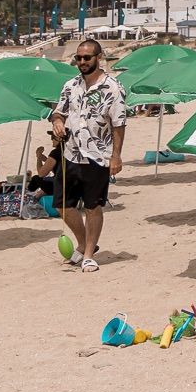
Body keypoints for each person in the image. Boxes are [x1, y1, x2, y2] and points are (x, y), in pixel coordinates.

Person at [51, 38, 127, 274]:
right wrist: (57, 122)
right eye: (79, 58)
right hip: (71, 153)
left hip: (98, 155)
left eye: (87, 58)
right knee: (62, 205)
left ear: (98, 57)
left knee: (93, 206)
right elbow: (58, 112)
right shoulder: (70, 85)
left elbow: (119, 124)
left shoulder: (113, 88)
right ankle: (84, 243)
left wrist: (116, 156)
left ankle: (88, 255)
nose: (82, 62)